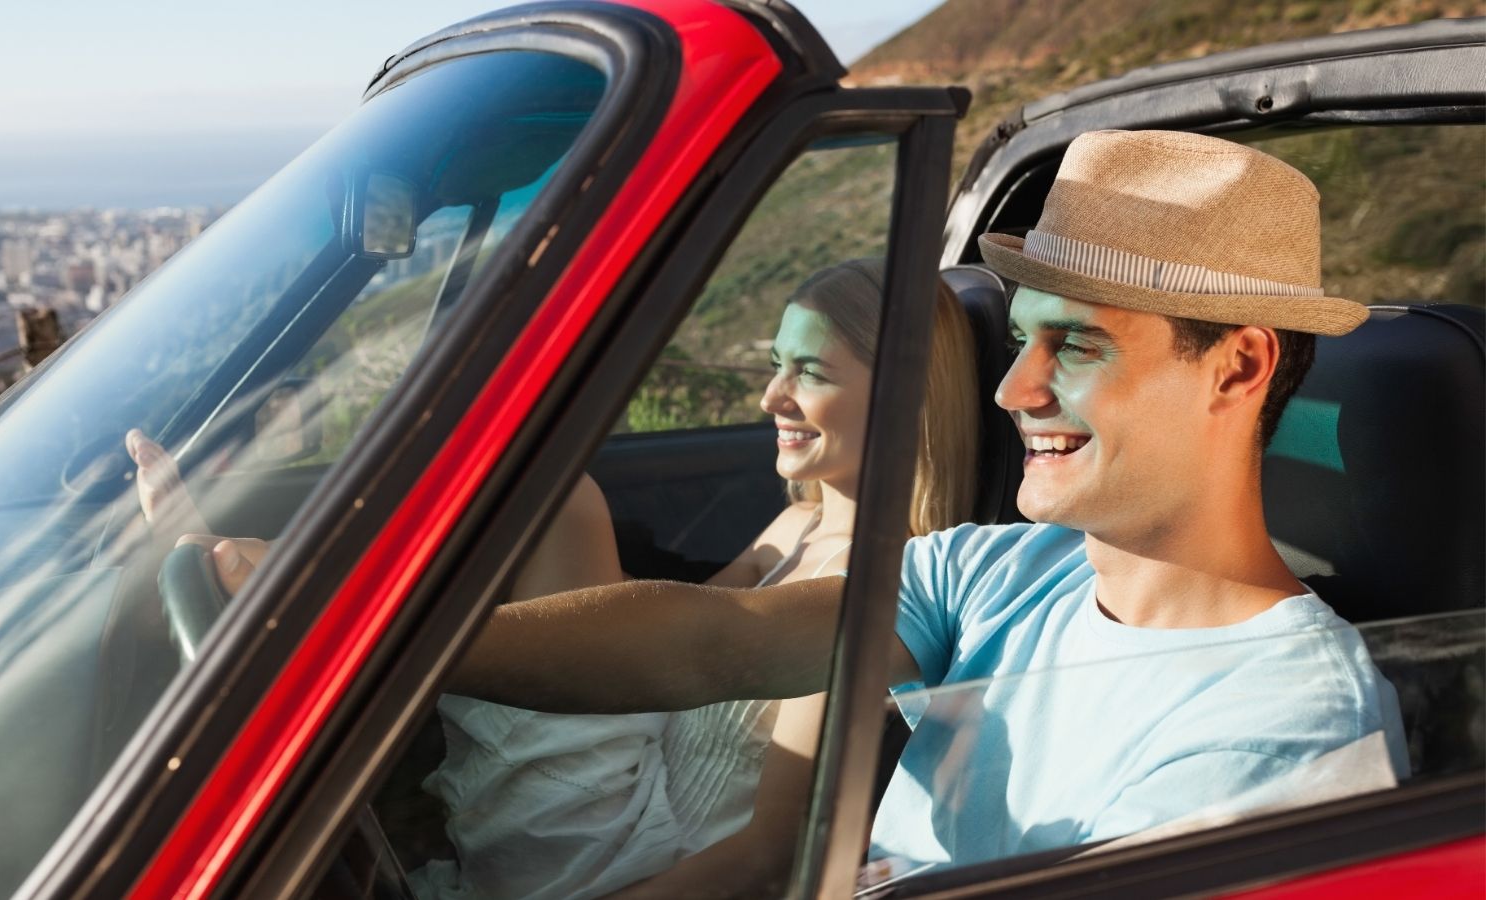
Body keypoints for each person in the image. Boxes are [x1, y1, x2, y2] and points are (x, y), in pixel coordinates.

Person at [443, 130, 1410, 872]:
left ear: (1238, 366)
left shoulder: (1287, 733)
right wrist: (381, 649)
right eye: (1020, 341)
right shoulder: (997, 570)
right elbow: (715, 639)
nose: (1012, 391)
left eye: (1073, 345)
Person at [125, 259, 984, 894]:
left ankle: (294, 601)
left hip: (631, 848)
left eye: (810, 373)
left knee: (562, 497)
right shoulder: (798, 522)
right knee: (546, 495)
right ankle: (289, 596)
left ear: (904, 399)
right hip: (624, 774)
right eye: (775, 361)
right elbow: (659, 629)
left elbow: (769, 855)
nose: (770, 396)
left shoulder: (879, 587)